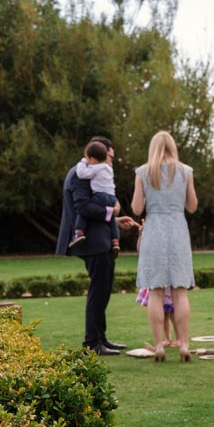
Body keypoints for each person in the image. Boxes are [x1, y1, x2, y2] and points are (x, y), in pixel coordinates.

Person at [57, 136, 135, 355]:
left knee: (104, 290)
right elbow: (82, 207)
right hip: (92, 242)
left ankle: (101, 338)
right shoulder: (79, 174)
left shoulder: (91, 172)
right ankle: (92, 343)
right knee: (98, 291)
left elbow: (94, 207)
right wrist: (111, 212)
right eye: (109, 157)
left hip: (100, 240)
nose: (109, 162)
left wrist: (115, 221)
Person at [132, 131, 198, 362]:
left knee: (155, 292)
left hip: (154, 231)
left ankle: (159, 345)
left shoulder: (143, 172)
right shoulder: (186, 171)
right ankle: (184, 344)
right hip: (177, 230)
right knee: (180, 291)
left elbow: (137, 208)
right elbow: (192, 206)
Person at [70, 140, 121, 251]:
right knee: (111, 218)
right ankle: (115, 241)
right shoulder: (108, 169)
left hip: (100, 196)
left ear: (92, 159)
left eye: (87, 158)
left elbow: (81, 174)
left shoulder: (95, 168)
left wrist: (82, 162)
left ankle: (79, 232)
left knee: (83, 212)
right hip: (112, 197)